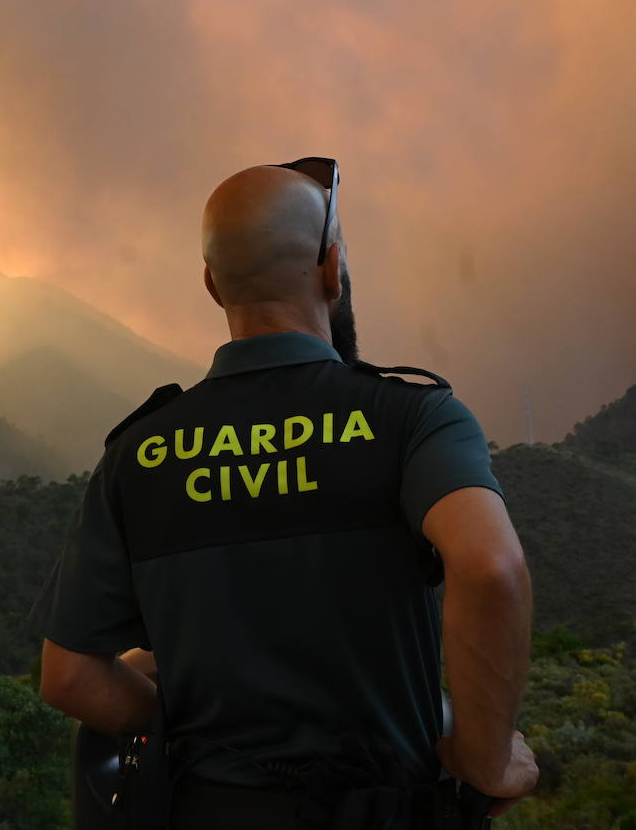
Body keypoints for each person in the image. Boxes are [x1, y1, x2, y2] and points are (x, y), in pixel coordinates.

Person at [33, 158, 539, 828]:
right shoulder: (411, 419)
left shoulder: (137, 456)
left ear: (213, 286)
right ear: (331, 269)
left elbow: (68, 676)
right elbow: (491, 567)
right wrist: (487, 759)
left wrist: (178, 715)